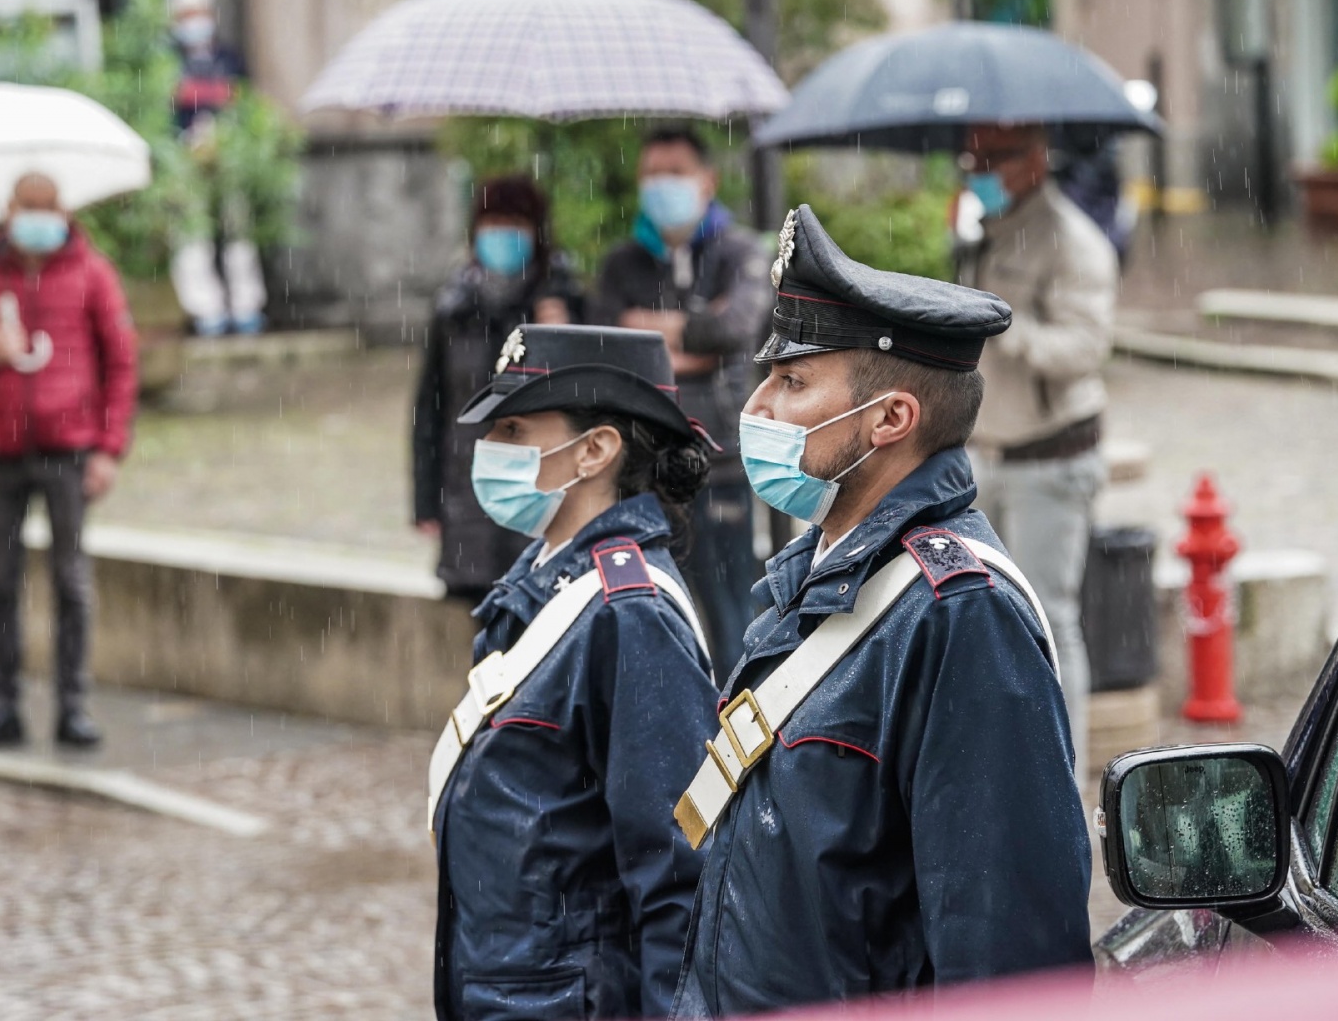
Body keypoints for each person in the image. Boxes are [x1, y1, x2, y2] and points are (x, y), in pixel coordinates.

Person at [668, 206, 1092, 1017]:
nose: (756, 406)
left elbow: (1009, 962)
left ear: (890, 419)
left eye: (791, 382)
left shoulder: (962, 616)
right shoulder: (816, 573)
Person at [430, 324, 719, 1019]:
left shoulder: (631, 612)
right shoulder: (543, 586)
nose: (490, 452)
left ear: (595, 450)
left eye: (515, 430)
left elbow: (679, 877)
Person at [0, 173, 139, 748]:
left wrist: (108, 447)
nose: (40, 224)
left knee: (71, 581)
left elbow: (121, 364)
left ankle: (73, 706)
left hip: (68, 451)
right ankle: (5, 705)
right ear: (9, 212)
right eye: (31, 212)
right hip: (1, 453)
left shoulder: (92, 274)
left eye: (50, 212)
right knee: (2, 582)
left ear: (64, 212)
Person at [957, 122, 1117, 788]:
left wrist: (1010, 327)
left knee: (1051, 617)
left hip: (1051, 457)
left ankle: (1065, 773)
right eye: (973, 158)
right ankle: (1004, 760)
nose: (979, 170)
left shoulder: (1072, 239)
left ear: (1035, 160)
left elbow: (1086, 346)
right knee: (983, 614)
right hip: (988, 451)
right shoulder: (985, 227)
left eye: (993, 159)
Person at [590, 127, 771, 678]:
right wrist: (695, 336)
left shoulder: (738, 252)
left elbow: (736, 328)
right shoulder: (623, 263)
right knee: (656, 611)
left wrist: (649, 332)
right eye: (652, 173)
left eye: (675, 172)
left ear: (707, 180)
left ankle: (745, 741)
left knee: (734, 612)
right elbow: (605, 340)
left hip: (722, 465)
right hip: (643, 470)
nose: (661, 185)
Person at [413, 175, 581, 602]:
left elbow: (587, 407)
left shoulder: (563, 302)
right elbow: (429, 409)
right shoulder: (455, 308)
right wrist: (425, 501)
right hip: (466, 494)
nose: (502, 235)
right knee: (481, 637)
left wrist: (561, 338)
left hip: (541, 495)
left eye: (515, 223)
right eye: (493, 222)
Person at [165, 0, 266, 337]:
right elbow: (163, 111)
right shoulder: (166, 62)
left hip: (230, 155)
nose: (194, 22)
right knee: (191, 235)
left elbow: (245, 101)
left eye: (199, 13)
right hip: (183, 158)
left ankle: (246, 305)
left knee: (238, 230)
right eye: (186, 15)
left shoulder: (229, 58)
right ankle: (205, 309)